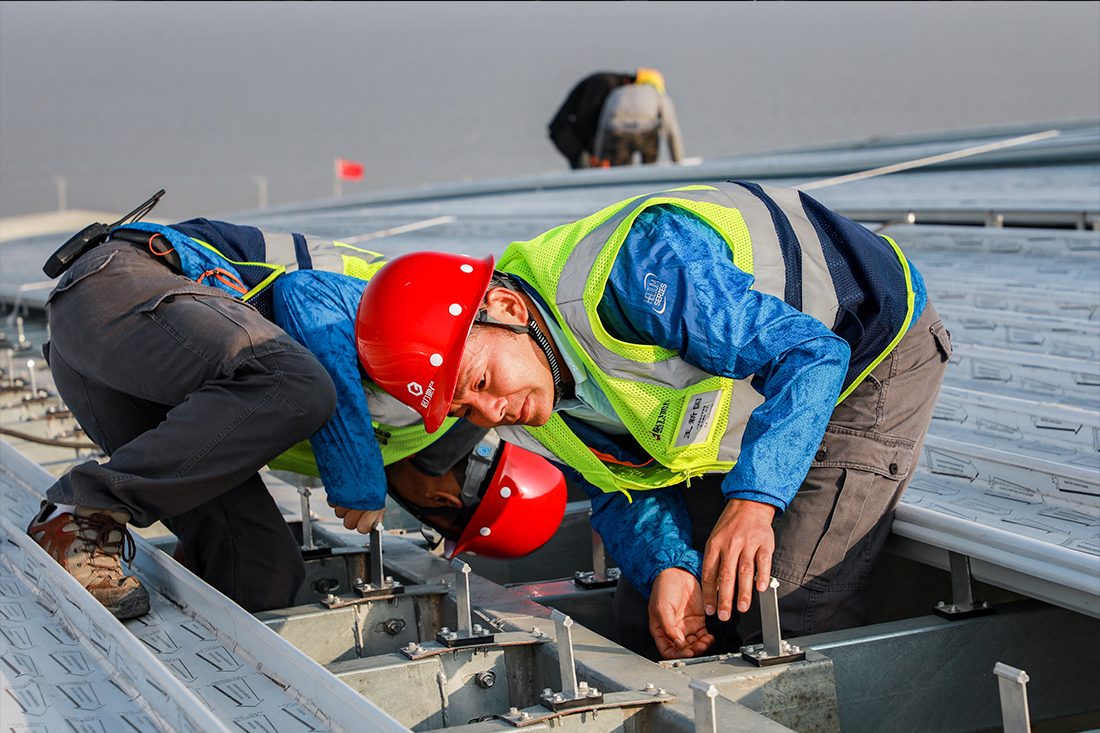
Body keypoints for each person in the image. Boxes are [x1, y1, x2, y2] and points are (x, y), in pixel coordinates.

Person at [355, 181, 951, 661]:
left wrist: (755, 501)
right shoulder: (528, 392)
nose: (488, 413)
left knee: (782, 603)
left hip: (867, 348)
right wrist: (669, 565)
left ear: (507, 308)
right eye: (462, 409)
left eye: (480, 383)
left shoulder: (641, 271)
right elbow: (623, 485)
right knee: (652, 610)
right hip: (762, 388)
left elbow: (810, 355)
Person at [27, 213, 566, 619]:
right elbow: (304, 295)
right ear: (449, 500)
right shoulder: (428, 345)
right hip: (116, 291)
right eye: (442, 519)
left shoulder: (428, 407)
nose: (428, 519)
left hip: (130, 378)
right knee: (297, 383)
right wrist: (355, 472)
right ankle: (82, 510)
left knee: (262, 570)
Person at [593, 68, 684, 167]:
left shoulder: (617, 92)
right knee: (649, 167)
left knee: (621, 170)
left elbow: (603, 125)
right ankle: (649, 170)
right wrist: (678, 162)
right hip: (645, 133)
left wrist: (599, 156)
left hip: (617, 133)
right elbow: (671, 131)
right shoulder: (659, 96)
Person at [548, 70, 636, 169]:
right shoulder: (604, 83)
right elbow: (585, 118)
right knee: (588, 175)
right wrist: (595, 153)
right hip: (571, 135)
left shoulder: (611, 84)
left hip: (575, 135)